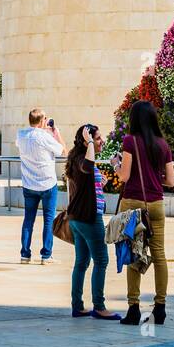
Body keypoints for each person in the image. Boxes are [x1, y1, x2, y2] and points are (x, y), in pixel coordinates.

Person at [116, 100, 174, 326]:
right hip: (156, 205)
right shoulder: (163, 144)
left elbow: (124, 176)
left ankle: (133, 309)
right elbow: (170, 180)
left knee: (133, 255)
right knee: (159, 256)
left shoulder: (130, 140)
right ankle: (160, 307)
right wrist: (153, 177)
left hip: (133, 205)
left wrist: (116, 165)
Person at [66, 125, 119, 321]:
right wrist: (89, 140)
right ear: (86, 141)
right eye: (97, 138)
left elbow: (84, 183)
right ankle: (99, 306)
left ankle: (77, 306)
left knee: (81, 262)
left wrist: (99, 184)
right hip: (89, 218)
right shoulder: (83, 159)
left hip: (78, 218)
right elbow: (87, 167)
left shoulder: (78, 159)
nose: (101, 141)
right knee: (102, 260)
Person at [15, 108, 66, 265]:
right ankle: (46, 255)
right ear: (43, 121)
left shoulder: (21, 135)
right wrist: (55, 133)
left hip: (29, 184)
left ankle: (25, 254)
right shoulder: (45, 137)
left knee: (28, 220)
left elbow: (20, 143)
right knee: (48, 220)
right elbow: (63, 151)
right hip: (47, 184)